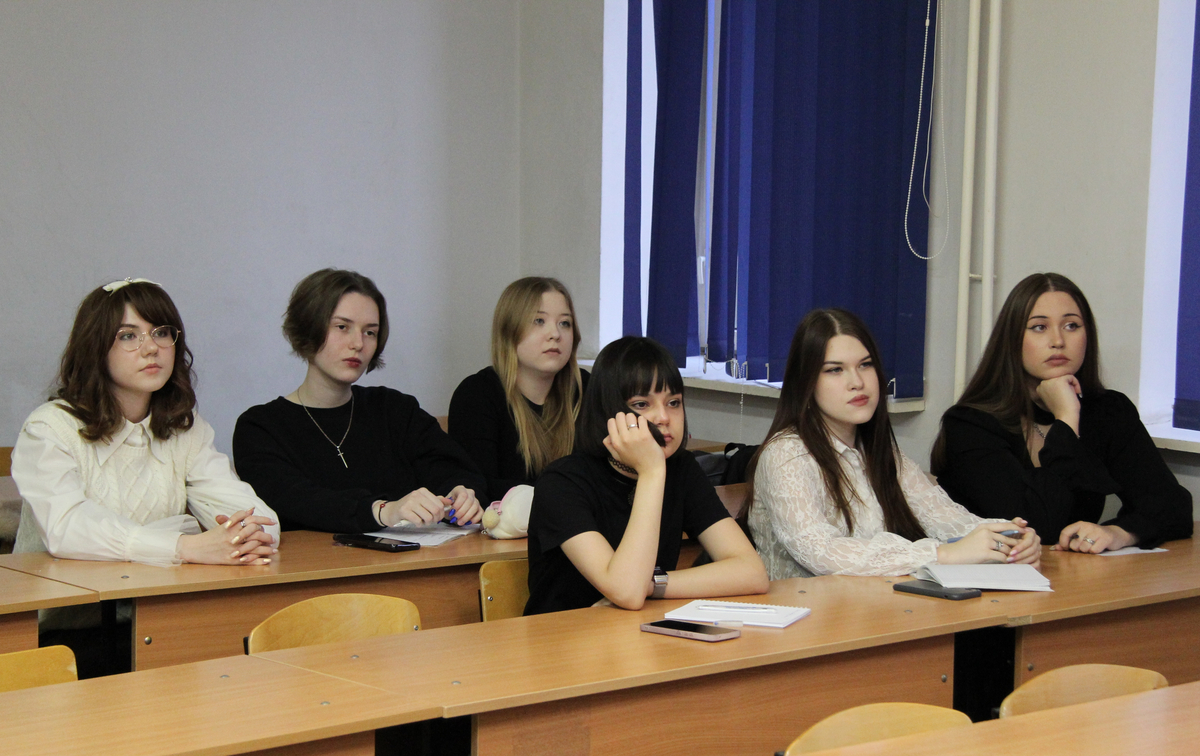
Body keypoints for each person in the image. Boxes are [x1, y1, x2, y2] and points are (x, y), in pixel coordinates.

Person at [745, 309, 1041, 578]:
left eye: (865, 365)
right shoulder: (786, 454)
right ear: (805, 384)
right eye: (835, 370)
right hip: (807, 614)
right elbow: (820, 552)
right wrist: (942, 554)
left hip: (873, 607)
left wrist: (1010, 536)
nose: (857, 382)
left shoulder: (876, 450)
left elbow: (946, 518)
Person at [12, 278, 279, 567]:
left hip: (155, 591)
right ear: (95, 348)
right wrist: (183, 545)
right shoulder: (49, 427)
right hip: (58, 591)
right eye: (128, 336)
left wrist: (246, 536)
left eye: (161, 333)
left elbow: (260, 521)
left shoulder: (184, 427)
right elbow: (66, 530)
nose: (151, 348)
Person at [932, 272, 1192, 552]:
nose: (1058, 340)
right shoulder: (969, 424)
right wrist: (1066, 419)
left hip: (1070, 573)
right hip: (992, 573)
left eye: (1071, 325)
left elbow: (1173, 507)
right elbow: (1038, 527)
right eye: (1039, 327)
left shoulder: (1108, 410)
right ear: (1012, 339)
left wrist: (1120, 533)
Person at [524, 336, 768, 614]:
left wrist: (652, 585)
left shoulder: (681, 469)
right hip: (565, 635)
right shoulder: (562, 483)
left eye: (673, 402)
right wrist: (651, 472)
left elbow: (752, 573)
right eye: (642, 404)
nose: (663, 417)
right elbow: (627, 591)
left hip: (639, 630)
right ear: (608, 411)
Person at [233, 269, 485, 533]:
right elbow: (296, 500)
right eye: (342, 327)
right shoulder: (260, 427)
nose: (358, 343)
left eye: (370, 332)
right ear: (308, 328)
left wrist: (462, 493)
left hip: (416, 555)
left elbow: (455, 470)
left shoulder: (395, 409)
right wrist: (384, 511)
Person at [448, 277, 588, 503]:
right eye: (539, 321)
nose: (555, 334)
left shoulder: (586, 388)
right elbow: (478, 487)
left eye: (565, 323)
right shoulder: (477, 394)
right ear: (509, 330)